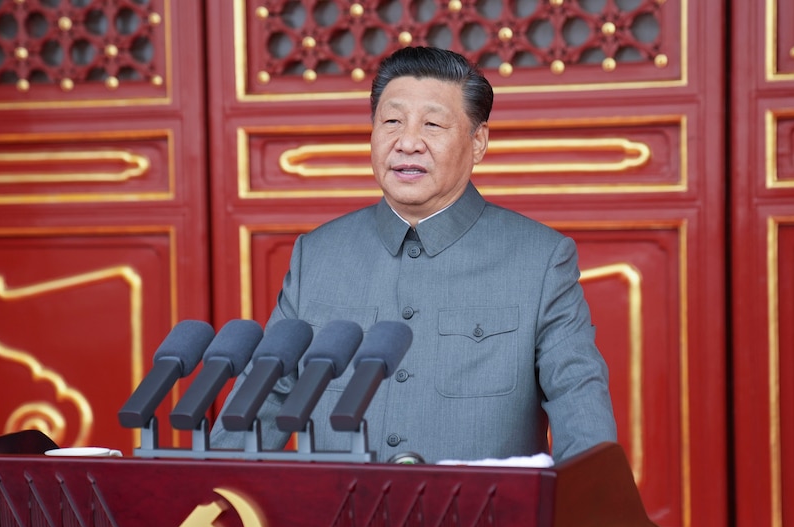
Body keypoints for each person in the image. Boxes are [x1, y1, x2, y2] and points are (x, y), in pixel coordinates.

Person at [210, 46, 617, 464]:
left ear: (478, 142)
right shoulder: (317, 255)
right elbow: (267, 399)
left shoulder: (539, 260)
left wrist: (591, 515)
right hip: (337, 524)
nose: (407, 143)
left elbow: (577, 399)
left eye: (433, 124)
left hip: (480, 525)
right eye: (391, 121)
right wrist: (204, 502)